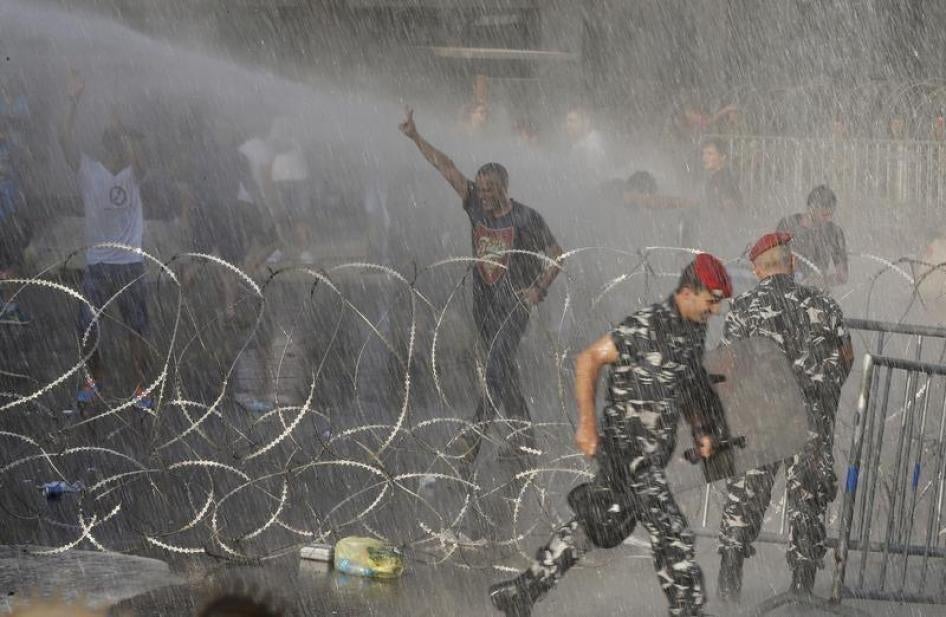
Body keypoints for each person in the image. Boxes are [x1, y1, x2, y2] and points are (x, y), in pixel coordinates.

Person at [488, 254, 733, 617]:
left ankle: (523, 591)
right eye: (711, 300)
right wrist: (587, 423)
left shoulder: (692, 332)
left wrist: (702, 429)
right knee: (673, 533)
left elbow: (690, 383)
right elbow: (588, 359)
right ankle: (687, 609)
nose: (714, 310)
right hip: (627, 451)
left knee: (597, 523)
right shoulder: (646, 325)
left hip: (650, 455)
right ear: (688, 291)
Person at [399, 106, 563, 465]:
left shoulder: (525, 217)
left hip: (515, 304)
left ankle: (474, 436)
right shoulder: (473, 204)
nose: (484, 193)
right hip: (484, 304)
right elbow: (446, 167)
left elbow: (557, 255)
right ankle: (525, 441)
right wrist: (416, 137)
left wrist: (538, 289)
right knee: (504, 370)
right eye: (481, 186)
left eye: (491, 188)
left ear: (505, 187)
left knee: (495, 368)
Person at [716, 232, 853, 601]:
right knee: (807, 500)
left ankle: (728, 589)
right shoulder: (824, 305)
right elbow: (846, 357)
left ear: (757, 269)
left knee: (746, 497)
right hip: (809, 420)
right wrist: (822, 396)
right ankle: (801, 592)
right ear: (792, 264)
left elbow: (728, 366)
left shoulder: (743, 308)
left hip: (759, 419)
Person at [58, 71, 151, 412]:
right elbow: (63, 137)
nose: (123, 149)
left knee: (136, 329)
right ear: (107, 146)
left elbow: (140, 161)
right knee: (86, 323)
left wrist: (123, 127)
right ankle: (94, 379)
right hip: (98, 264)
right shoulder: (90, 171)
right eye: (116, 142)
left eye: (123, 143)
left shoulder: (134, 174)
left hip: (130, 264)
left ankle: (141, 387)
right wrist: (72, 101)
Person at [776, 185, 847, 288]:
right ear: (811, 209)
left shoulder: (834, 233)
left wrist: (822, 281)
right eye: (824, 215)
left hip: (816, 295)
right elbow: (774, 262)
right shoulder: (788, 225)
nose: (828, 219)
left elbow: (843, 276)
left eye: (831, 214)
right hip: (787, 291)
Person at [701, 137, 742, 212]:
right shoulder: (716, 177)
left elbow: (730, 209)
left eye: (710, 154)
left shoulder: (724, 180)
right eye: (704, 153)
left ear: (723, 157)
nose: (704, 158)